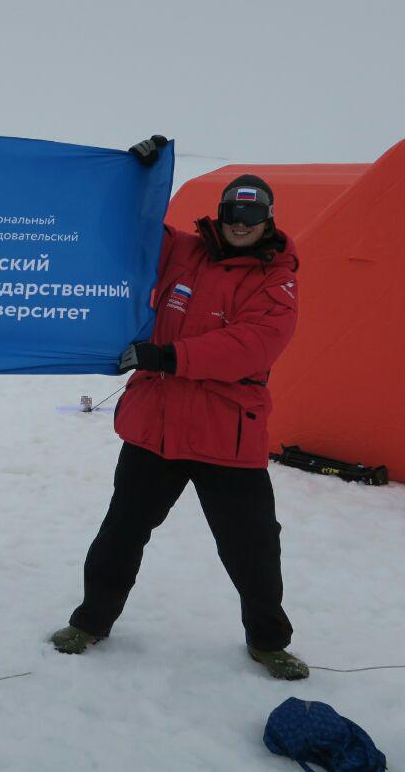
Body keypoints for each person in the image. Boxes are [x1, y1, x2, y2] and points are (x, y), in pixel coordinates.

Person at [51, 136, 308, 680]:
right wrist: (137, 176)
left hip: (226, 435)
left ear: (268, 219)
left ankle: (268, 641)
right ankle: (92, 620)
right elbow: (127, 232)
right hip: (155, 428)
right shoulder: (183, 251)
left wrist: (169, 355)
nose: (241, 223)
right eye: (233, 213)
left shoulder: (277, 280)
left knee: (252, 548)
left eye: (252, 214)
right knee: (120, 533)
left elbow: (253, 345)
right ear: (221, 215)